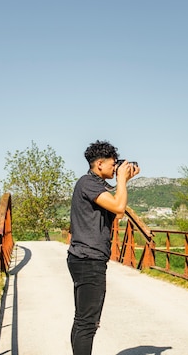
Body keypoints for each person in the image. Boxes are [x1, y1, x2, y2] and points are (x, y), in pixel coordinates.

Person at [67, 140, 140, 355]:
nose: (115, 167)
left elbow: (117, 212)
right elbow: (120, 206)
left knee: (82, 320)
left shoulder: (95, 186)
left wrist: (123, 182)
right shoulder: (88, 184)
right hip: (88, 260)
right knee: (87, 323)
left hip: (85, 258)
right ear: (99, 164)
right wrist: (122, 181)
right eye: (112, 164)